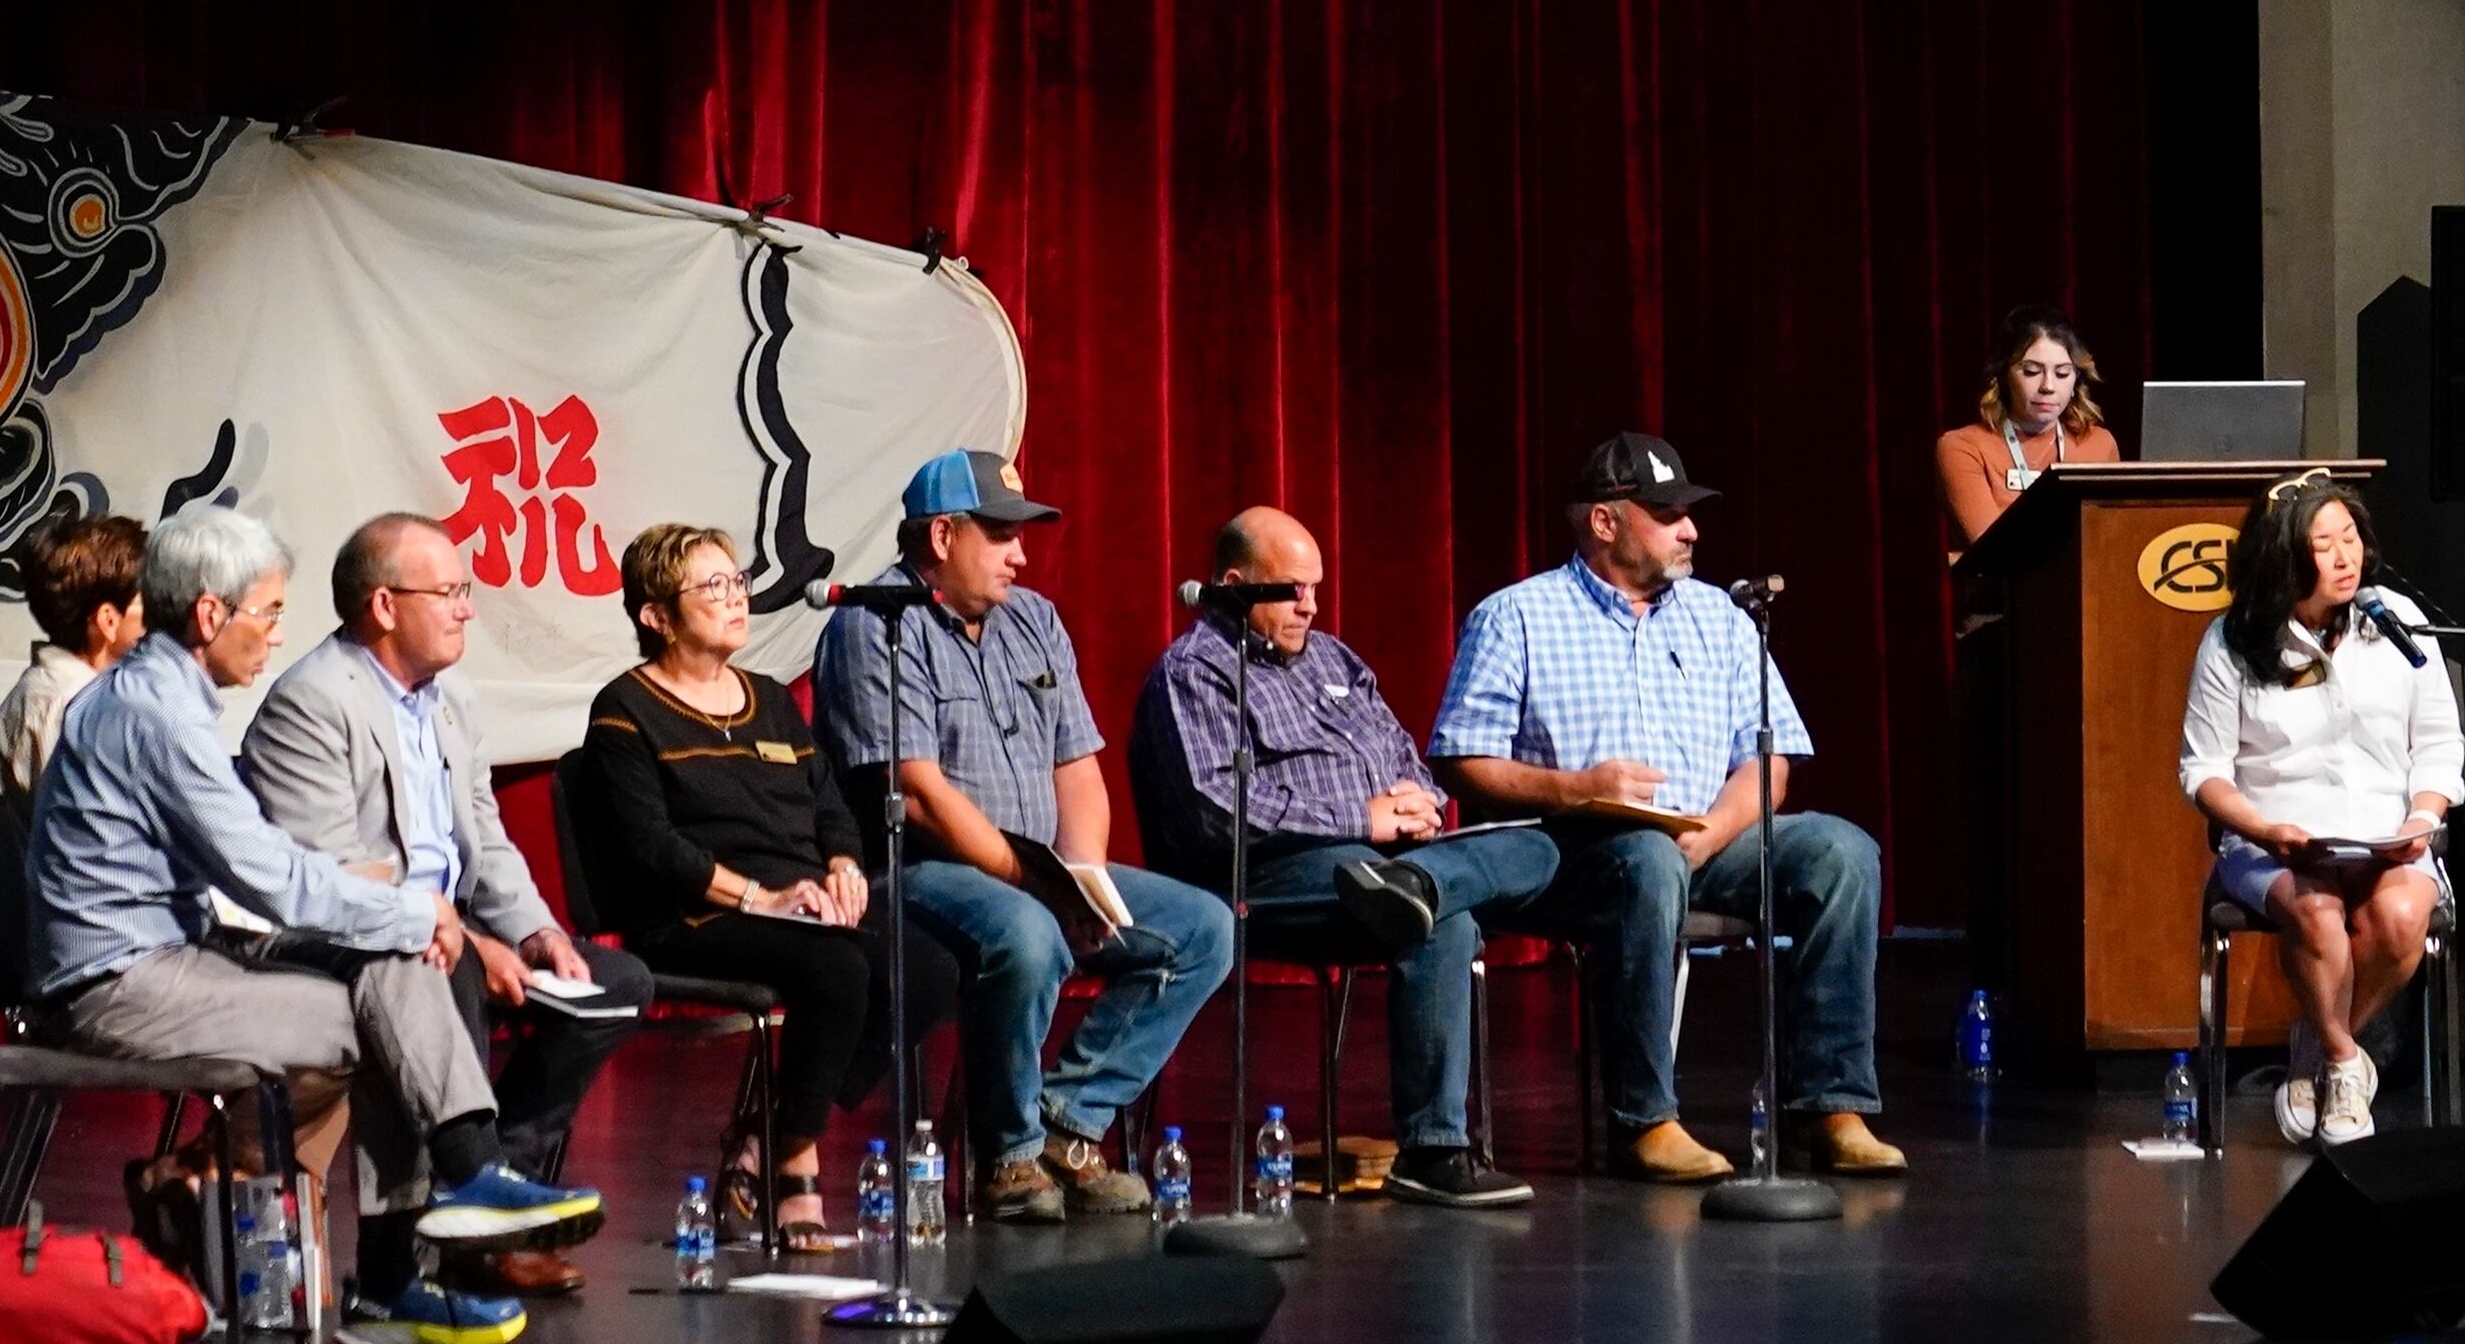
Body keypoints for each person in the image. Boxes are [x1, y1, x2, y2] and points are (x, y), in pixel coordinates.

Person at [26, 502, 599, 1344]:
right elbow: (269, 876)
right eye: (268, 613)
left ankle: (457, 1190)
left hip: (185, 951)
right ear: (211, 614)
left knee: (394, 956)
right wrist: (414, 907)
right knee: (381, 1008)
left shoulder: (166, 697)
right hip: (120, 982)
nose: (274, 633)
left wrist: (408, 917)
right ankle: (419, 1245)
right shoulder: (154, 713)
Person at [1433, 434, 1902, 1183]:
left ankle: (1829, 1106)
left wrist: (1714, 831)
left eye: (1689, 513)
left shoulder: (1719, 616)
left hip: (1704, 842)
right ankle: (1644, 1119)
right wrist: (1576, 788)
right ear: (1605, 523)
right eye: (1668, 513)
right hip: (1574, 854)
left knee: (1840, 851)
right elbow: (1460, 760)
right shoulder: (1516, 616)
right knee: (1647, 861)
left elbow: (1768, 762)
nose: (1691, 530)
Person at [815, 446, 1236, 1225]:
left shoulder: (1034, 619)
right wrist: (1041, 886)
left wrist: (1081, 876)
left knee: (1203, 928)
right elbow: (921, 795)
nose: (1022, 552)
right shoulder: (875, 625)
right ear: (942, 536)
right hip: (915, 871)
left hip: (1037, 870)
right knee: (1029, 932)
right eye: (1001, 533)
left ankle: (1067, 1122)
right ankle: (1004, 1156)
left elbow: (1077, 767)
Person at [243, 515, 653, 1294]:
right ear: (386, 605)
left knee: (617, 983)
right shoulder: (314, 701)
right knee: (440, 964)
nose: (466, 608)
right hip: (339, 938)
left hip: (441, 925)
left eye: (466, 591)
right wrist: (467, 937)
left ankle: (499, 1188)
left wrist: (532, 930)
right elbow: (330, 878)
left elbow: (486, 836)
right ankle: (433, 1233)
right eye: (450, 592)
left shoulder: (451, 700)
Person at [1128, 506, 1556, 1204]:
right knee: (1436, 916)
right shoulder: (1195, 672)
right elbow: (1215, 811)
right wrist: (1361, 818)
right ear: (1234, 585)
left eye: (1317, 588)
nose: (1310, 605)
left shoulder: (1333, 658)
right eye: (1291, 589)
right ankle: (1434, 1149)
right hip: (1257, 881)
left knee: (1537, 846)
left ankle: (1421, 880)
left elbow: (1402, 756)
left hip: (1382, 868)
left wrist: (1418, 802)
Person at [567, 523, 959, 1254]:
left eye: (737, 582)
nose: (734, 599)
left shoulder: (772, 700)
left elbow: (830, 804)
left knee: (929, 969)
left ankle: (767, 1126)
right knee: (838, 971)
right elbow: (649, 848)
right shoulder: (624, 709)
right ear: (655, 614)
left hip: (796, 910)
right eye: (710, 587)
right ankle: (792, 1163)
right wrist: (758, 898)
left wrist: (842, 866)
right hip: (692, 914)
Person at [2181, 469, 2463, 1146]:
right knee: (2316, 914)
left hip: (2387, 837)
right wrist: (2264, 827)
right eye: (2324, 543)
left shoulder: (2398, 623)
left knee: (2399, 918)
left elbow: (2438, 746)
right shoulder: (2234, 641)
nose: (2346, 556)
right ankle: (2343, 1059)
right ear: (2283, 557)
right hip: (2275, 842)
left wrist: (2421, 820)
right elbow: (2204, 772)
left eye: (2351, 538)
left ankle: (2315, 1052)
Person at [0, 510, 146, 801]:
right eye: (148, 600)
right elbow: (94, 836)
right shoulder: (69, 709)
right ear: (108, 620)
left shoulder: (62, 694)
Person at [1936, 310, 2120, 556]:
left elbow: (2115, 538)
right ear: (2003, 375)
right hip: (2006, 591)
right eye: (2032, 371)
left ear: (2077, 379)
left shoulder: (2099, 443)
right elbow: (1992, 549)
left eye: (2063, 373)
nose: (2048, 386)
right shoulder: (1963, 446)